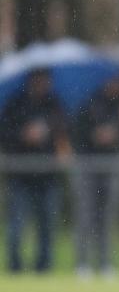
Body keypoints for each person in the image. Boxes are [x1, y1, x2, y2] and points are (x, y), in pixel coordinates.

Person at [0, 69, 71, 272]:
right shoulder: (16, 103)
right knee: (16, 226)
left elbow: (64, 129)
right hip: (20, 176)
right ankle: (15, 267)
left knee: (47, 226)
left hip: (47, 177)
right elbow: (4, 133)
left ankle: (43, 268)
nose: (42, 84)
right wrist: (23, 135)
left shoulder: (55, 104)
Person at [72, 75, 119, 277]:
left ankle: (105, 263)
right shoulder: (90, 102)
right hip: (88, 164)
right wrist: (96, 136)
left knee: (107, 217)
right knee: (86, 214)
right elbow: (79, 133)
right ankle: (82, 264)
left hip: (112, 165)